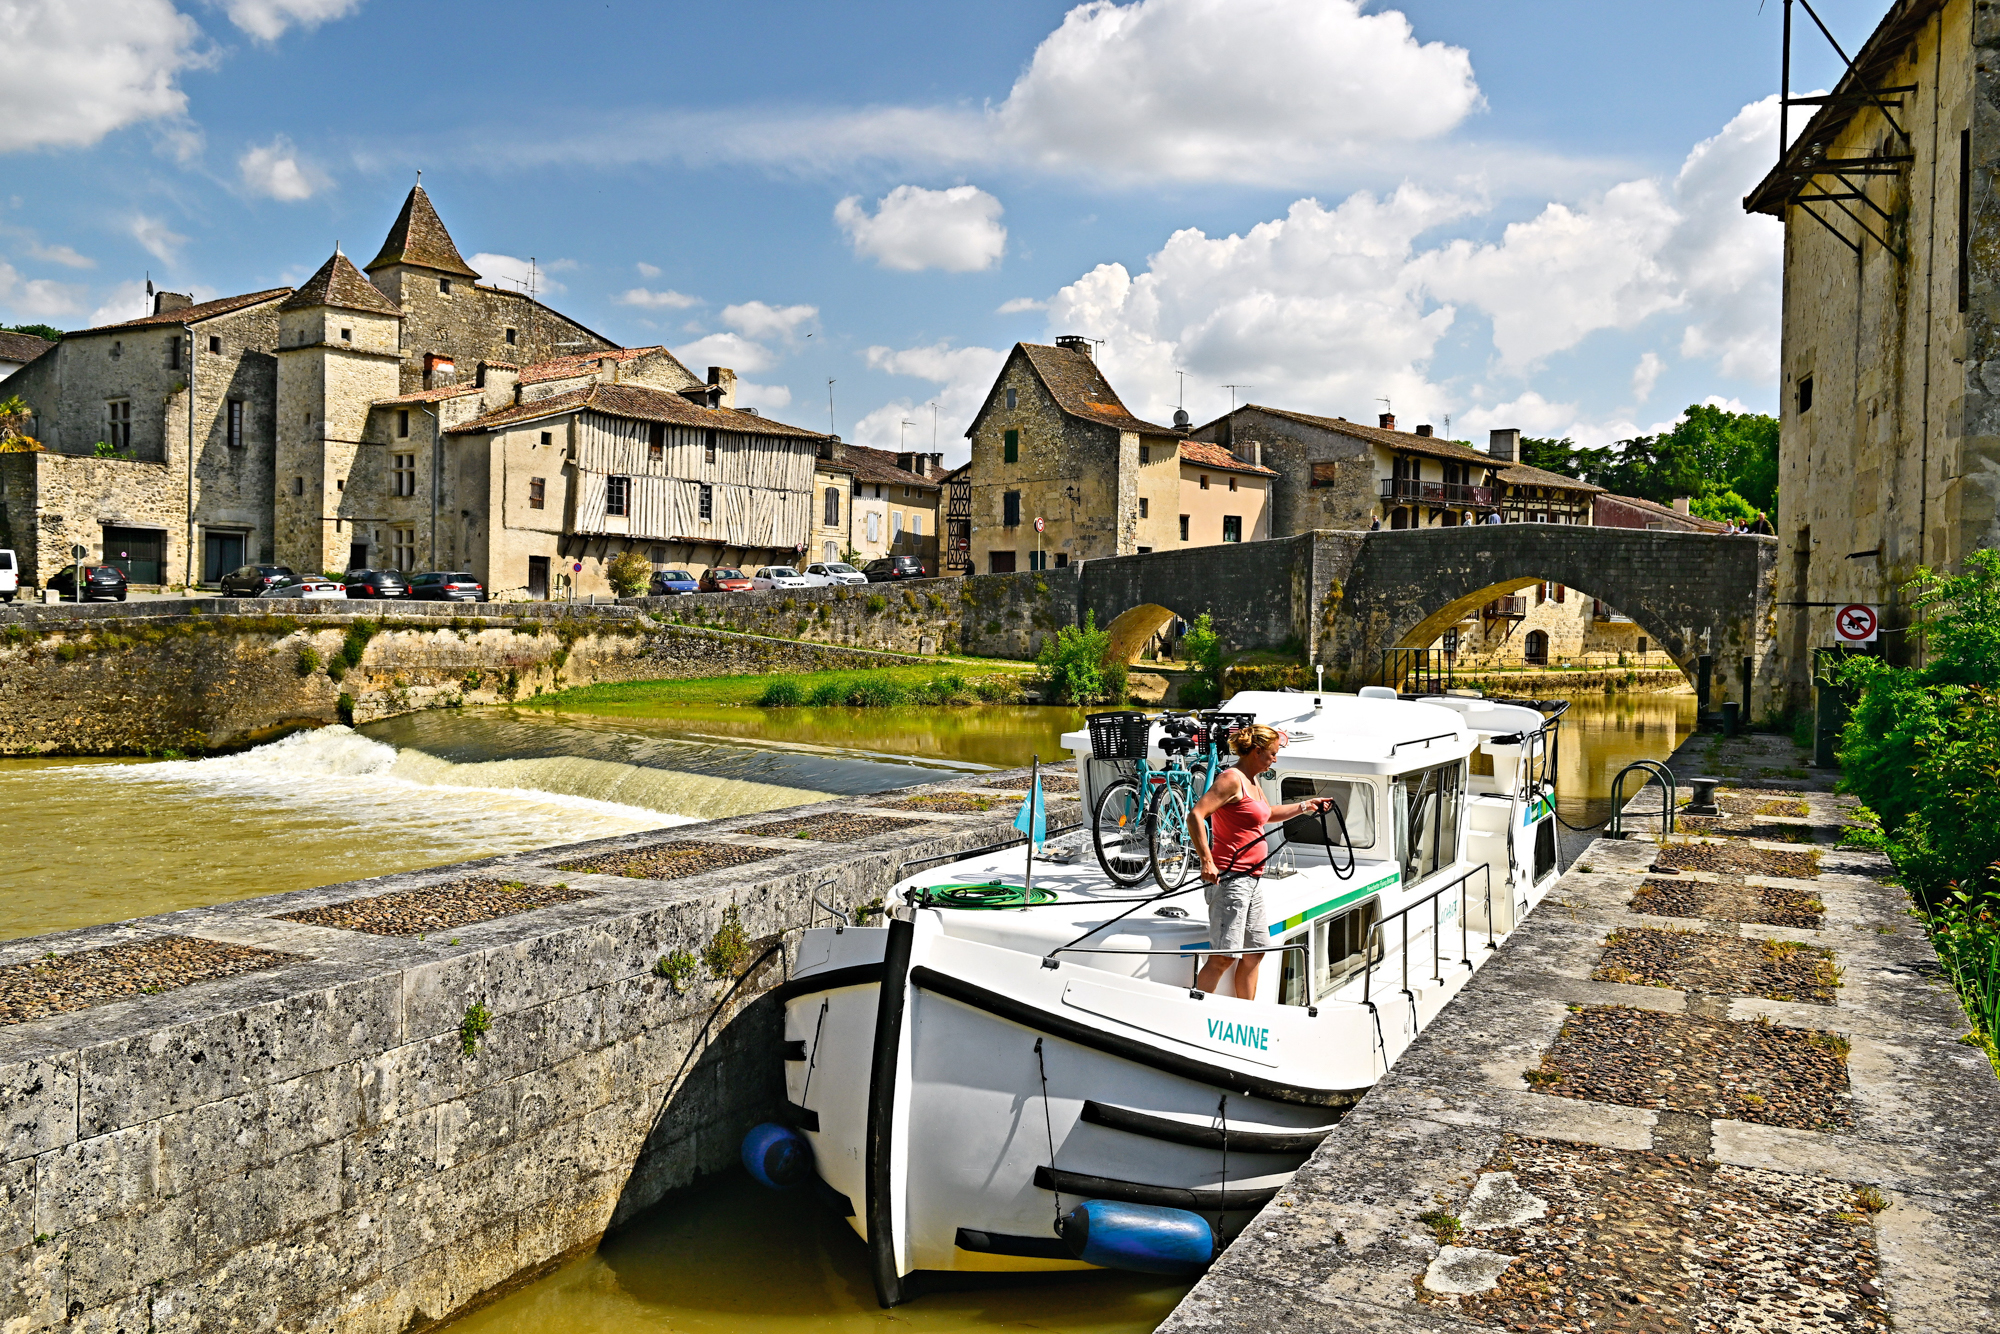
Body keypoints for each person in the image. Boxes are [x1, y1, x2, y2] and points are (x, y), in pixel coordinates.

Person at [1186, 724, 1335, 998]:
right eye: (1273, 753)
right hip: (1231, 879)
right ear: (1257, 751)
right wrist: (1206, 861)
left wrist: (1306, 806)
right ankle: (1195, 1007)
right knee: (1224, 957)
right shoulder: (1232, 779)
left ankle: (1246, 1010)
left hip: (1252, 879)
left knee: (1255, 951)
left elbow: (1266, 814)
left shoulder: (1253, 781)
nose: (1275, 759)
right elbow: (1196, 815)